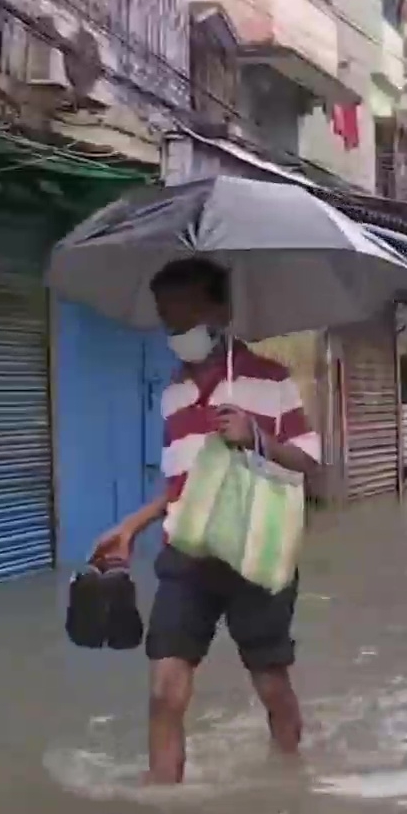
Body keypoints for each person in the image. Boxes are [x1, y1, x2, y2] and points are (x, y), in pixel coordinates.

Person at [92, 258, 323, 786]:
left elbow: (311, 464)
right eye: (167, 318)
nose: (176, 329)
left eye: (186, 313)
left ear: (220, 311)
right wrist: (133, 526)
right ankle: (163, 797)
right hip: (188, 555)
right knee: (164, 691)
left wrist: (257, 437)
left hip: (254, 554)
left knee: (271, 685)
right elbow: (182, 488)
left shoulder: (269, 380)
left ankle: (291, 779)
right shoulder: (172, 392)